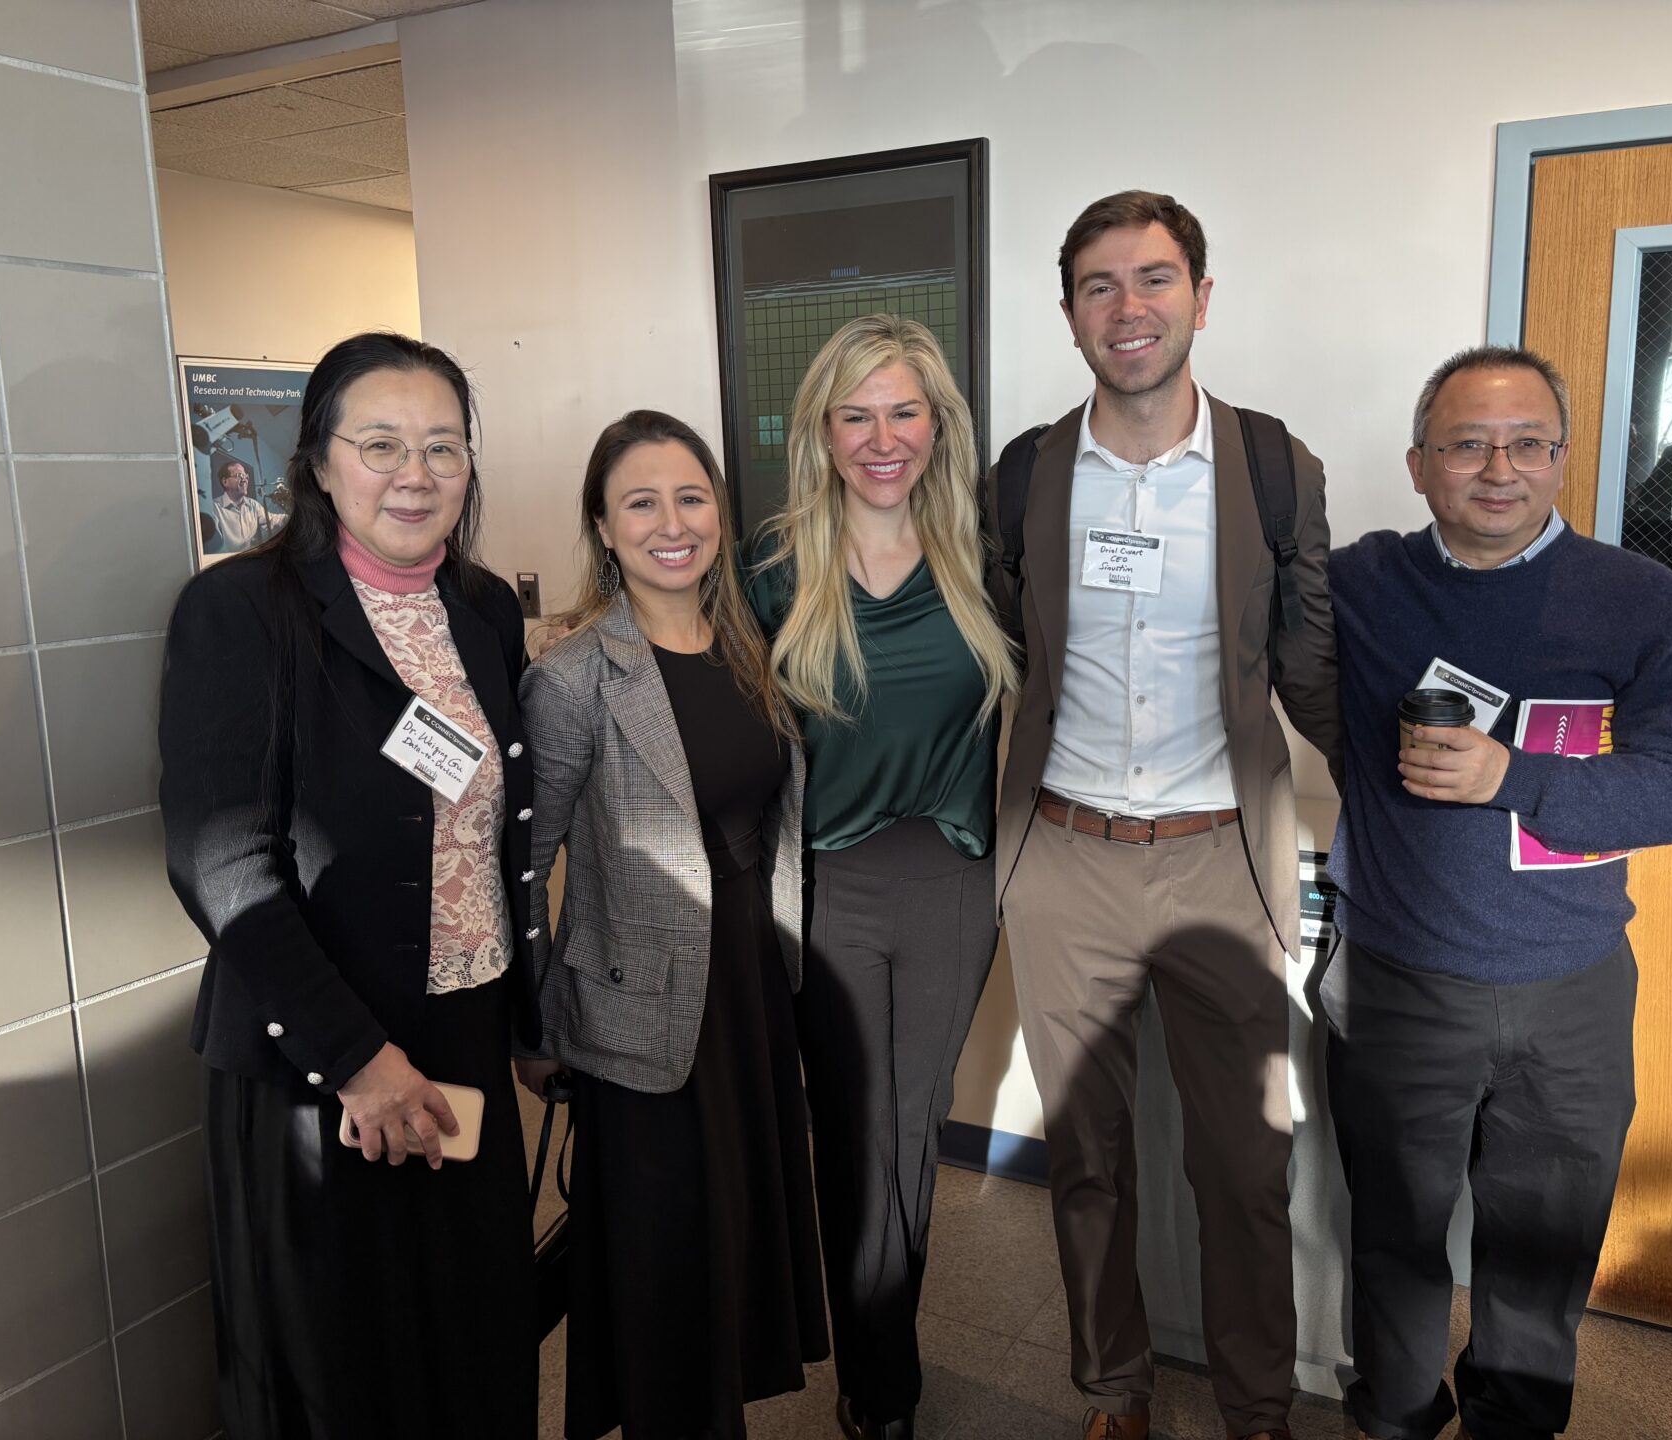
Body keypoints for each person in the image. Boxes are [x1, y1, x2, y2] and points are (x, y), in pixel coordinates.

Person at [983, 190, 1344, 1440]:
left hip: (1220, 861)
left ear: (1200, 296)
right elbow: (1001, 653)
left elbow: (1308, 665)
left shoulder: (1273, 468)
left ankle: (1257, 1407)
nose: (1127, 307)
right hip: (1064, 856)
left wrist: (1399, 797)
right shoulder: (1024, 475)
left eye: (1153, 278)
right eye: (1099, 285)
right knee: (1086, 1161)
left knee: (1245, 1166)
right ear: (1070, 311)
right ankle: (1116, 1391)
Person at [1321, 346, 1672, 1440]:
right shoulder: (1359, 585)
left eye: (1528, 444)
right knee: (1393, 1242)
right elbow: (1228, 603)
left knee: (1544, 1252)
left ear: (1563, 458)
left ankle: (1515, 1423)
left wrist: (1513, 777)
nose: (1500, 469)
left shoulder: (1636, 598)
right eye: (1467, 444)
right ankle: (1396, 1418)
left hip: (1573, 987)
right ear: (1418, 464)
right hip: (1402, 981)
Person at [158, 333, 540, 1437]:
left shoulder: (481, 609)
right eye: (380, 445)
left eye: (443, 447)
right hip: (322, 1057)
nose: (415, 474)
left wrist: (526, 1017)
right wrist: (361, 1062)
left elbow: (492, 826)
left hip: (460, 1034)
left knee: (474, 1338)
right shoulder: (242, 610)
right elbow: (222, 859)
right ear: (319, 462)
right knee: (348, 1372)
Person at [518, 410, 828, 1440]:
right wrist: (533, 1030)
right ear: (604, 528)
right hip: (640, 1012)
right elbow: (525, 864)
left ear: (720, 514)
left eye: (691, 498)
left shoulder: (751, 649)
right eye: (640, 503)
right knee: (667, 1265)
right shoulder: (573, 679)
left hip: (747, 989)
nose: (671, 523)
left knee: (730, 1243)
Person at [745, 314, 1018, 1440]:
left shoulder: (985, 564)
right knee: (854, 1133)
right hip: (827, 888)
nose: (881, 437)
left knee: (911, 1126)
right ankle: (881, 1384)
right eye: (855, 414)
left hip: (951, 879)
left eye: (904, 411)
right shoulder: (771, 575)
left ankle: (878, 1370)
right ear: (821, 431)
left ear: (938, 425)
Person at [209, 457, 272, 552]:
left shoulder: (253, 505)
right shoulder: (214, 508)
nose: (245, 480)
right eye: (239, 476)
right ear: (225, 481)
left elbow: (271, 520)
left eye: (246, 476)